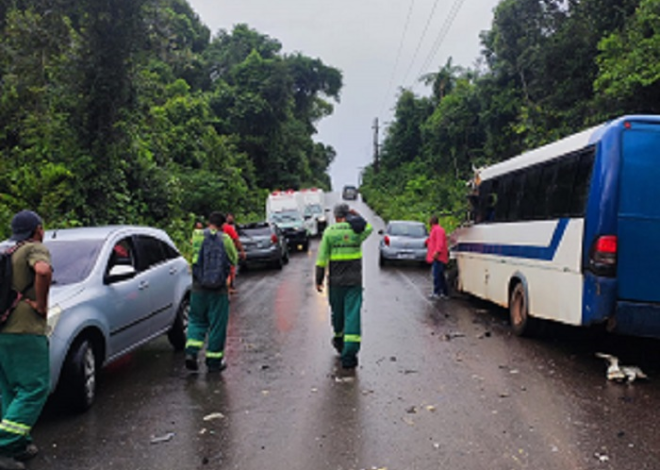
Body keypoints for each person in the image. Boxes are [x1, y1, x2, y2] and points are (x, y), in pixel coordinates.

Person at [0, 210, 52, 470]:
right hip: (25, 329)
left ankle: (19, 444)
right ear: (38, 229)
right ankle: (4, 445)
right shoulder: (34, 248)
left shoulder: (6, 252)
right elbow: (43, 271)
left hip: (3, 331)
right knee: (35, 388)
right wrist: (41, 305)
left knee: (10, 389)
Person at [315, 204, 373, 369]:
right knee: (352, 316)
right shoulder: (356, 231)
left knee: (337, 314)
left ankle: (339, 339)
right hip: (354, 282)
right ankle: (349, 355)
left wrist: (318, 280)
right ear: (347, 215)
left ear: (335, 216)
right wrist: (356, 215)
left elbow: (321, 260)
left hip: (335, 283)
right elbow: (368, 228)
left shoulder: (329, 232)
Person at [186, 212, 238, 373]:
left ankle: (191, 353)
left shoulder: (197, 236)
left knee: (196, 320)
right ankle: (214, 362)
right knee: (217, 324)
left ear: (208, 222)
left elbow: (193, 257)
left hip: (198, 287)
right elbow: (234, 259)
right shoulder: (225, 239)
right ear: (223, 225)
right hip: (218, 289)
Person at [426, 215, 449, 299]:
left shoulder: (437, 230)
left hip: (439, 257)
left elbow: (440, 242)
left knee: (437, 275)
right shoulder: (434, 230)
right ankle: (444, 292)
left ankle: (437, 292)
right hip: (437, 256)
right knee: (440, 275)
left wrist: (437, 252)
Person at [223, 213, 245, 294]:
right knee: (230, 269)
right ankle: (229, 287)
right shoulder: (229, 228)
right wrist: (242, 251)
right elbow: (236, 240)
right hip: (229, 251)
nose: (230, 219)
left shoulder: (211, 230)